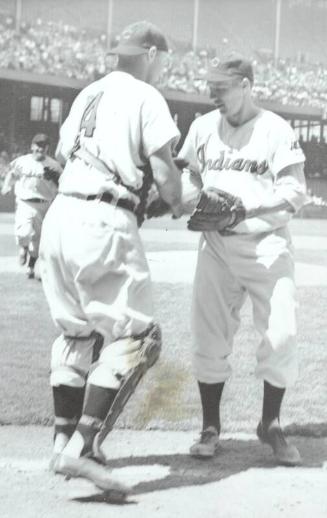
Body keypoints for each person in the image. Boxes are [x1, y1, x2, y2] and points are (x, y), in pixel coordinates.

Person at [38, 21, 182, 495]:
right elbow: (166, 178)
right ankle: (82, 449)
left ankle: (62, 442)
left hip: (61, 217)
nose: (163, 67)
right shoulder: (146, 95)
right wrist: (181, 199)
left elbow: (63, 156)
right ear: (152, 53)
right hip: (102, 218)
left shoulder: (86, 95)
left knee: (77, 331)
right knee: (140, 336)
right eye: (163, 59)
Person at [178, 55, 307, 466]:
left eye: (222, 86)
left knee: (282, 334)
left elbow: (295, 192)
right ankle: (210, 427)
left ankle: (270, 423)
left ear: (247, 85)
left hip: (265, 244)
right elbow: (188, 175)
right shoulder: (202, 127)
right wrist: (191, 195)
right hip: (215, 244)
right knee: (209, 335)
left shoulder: (275, 129)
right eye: (211, 86)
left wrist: (246, 211)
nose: (213, 93)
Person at [1, 134, 62, 278]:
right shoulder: (22, 162)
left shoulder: (54, 165)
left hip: (45, 204)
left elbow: (63, 182)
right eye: (38, 145)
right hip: (25, 201)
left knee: (38, 239)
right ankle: (23, 248)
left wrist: (56, 180)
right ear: (32, 146)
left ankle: (31, 265)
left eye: (44, 146)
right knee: (24, 232)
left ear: (47, 148)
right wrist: (6, 186)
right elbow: (12, 174)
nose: (41, 148)